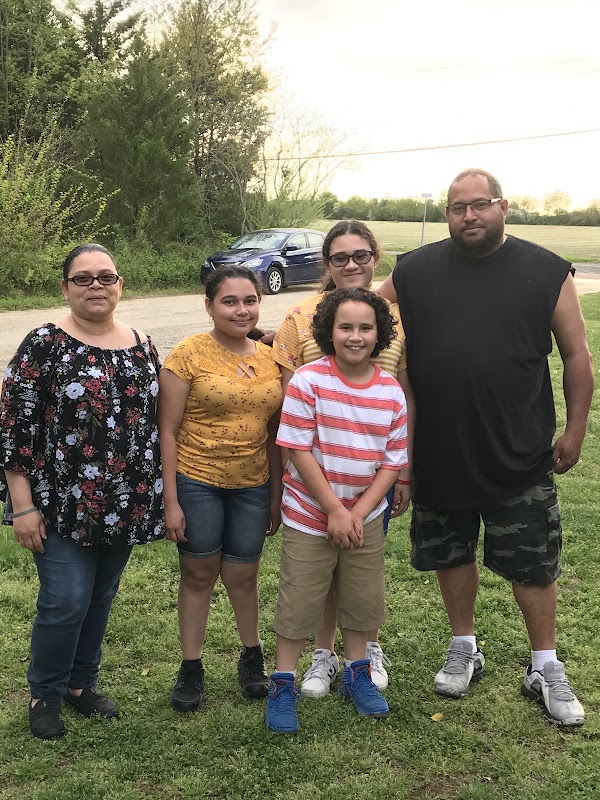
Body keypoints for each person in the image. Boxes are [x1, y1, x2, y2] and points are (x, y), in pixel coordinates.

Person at [379, 168, 594, 727]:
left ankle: (543, 663)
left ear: (503, 206)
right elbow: (360, 317)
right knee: (452, 554)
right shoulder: (413, 270)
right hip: (439, 447)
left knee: (534, 564)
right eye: (456, 207)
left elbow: (575, 356)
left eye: (479, 205)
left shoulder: (546, 270)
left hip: (519, 449)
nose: (468, 216)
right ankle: (464, 646)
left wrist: (574, 428)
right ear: (446, 213)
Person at [0, 243, 164, 739]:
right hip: (58, 505)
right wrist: (22, 506)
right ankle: (44, 692)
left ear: (120, 285)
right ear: (65, 288)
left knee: (100, 595)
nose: (96, 285)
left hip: (124, 502)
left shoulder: (141, 343)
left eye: (106, 277)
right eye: (83, 278)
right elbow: (14, 427)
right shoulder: (44, 343)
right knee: (66, 598)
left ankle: (79, 684)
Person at [272, 220, 414, 697]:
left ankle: (363, 653)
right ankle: (320, 656)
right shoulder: (301, 317)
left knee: (359, 572)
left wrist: (403, 471)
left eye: (360, 255)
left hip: (369, 476)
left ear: (375, 257)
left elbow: (404, 390)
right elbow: (285, 390)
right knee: (314, 572)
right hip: (317, 475)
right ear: (326, 263)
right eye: (339, 257)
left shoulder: (393, 316)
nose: (351, 264)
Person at [158, 265, 282, 711]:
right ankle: (191, 666)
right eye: (229, 301)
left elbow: (274, 431)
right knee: (198, 574)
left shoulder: (271, 357)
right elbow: (166, 431)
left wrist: (275, 494)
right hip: (196, 480)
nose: (240, 309)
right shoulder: (187, 354)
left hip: (252, 483)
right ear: (209, 305)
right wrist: (171, 500)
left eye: (249, 300)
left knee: (244, 574)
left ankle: (252, 657)